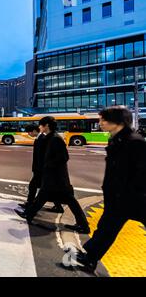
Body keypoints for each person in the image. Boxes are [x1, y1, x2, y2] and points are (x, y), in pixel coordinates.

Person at [72, 107, 146, 273]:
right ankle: (90, 258)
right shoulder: (116, 139)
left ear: (118, 121)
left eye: (103, 120)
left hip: (134, 198)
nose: (100, 123)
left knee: (107, 228)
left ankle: (90, 258)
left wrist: (127, 193)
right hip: (117, 197)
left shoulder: (134, 141)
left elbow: (141, 174)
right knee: (106, 228)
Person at [15, 116, 90, 234]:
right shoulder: (50, 138)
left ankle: (84, 225)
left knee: (55, 198)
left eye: (41, 125)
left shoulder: (55, 138)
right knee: (47, 198)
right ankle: (29, 214)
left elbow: (64, 157)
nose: (39, 127)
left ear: (47, 126)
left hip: (56, 178)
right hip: (54, 177)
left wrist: (48, 166)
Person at [19, 125, 64, 213]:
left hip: (41, 169)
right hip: (40, 168)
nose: (29, 134)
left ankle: (30, 205)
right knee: (46, 188)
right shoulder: (40, 138)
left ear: (34, 131)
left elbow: (42, 156)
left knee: (34, 186)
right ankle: (58, 206)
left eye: (29, 132)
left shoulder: (42, 139)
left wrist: (39, 168)